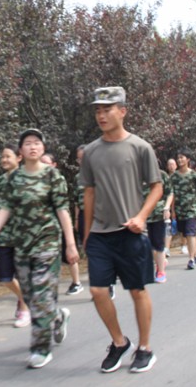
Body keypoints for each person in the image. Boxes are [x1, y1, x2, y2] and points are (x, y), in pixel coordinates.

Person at [80, 87, 163, 374]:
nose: (101, 115)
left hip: (131, 233)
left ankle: (145, 348)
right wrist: (86, 233)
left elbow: (157, 187)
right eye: (97, 110)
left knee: (137, 291)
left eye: (107, 109)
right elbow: (88, 193)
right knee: (98, 291)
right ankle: (119, 342)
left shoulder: (140, 147)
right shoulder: (90, 151)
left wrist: (142, 217)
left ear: (123, 111)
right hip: (101, 235)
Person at [0, 129, 77, 369]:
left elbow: (62, 211)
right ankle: (57, 316)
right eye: (27, 144)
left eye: (37, 143)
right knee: (29, 295)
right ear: (21, 151)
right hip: (21, 244)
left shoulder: (53, 176)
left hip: (47, 243)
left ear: (43, 149)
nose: (33, 147)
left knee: (43, 295)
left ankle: (40, 348)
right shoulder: (13, 179)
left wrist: (70, 243)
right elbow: (5, 207)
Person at [0, 143, 30, 328]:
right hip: (5, 235)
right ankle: (24, 299)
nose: (4, 160)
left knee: (22, 274)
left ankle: (25, 309)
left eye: (8, 156)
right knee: (5, 277)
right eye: (3, 156)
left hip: (23, 235)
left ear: (19, 158)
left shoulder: (26, 177)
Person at [40, 152, 83, 296]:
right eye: (42, 162)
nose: (43, 165)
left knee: (69, 253)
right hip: (44, 225)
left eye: (46, 163)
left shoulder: (58, 180)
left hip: (60, 222)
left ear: (54, 165)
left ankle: (76, 282)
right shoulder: (35, 180)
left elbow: (61, 206)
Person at [170, 148, 196, 270]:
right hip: (180, 209)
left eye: (182, 157)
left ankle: (191, 259)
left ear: (188, 160)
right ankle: (195, 253)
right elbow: (172, 194)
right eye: (178, 157)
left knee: (190, 232)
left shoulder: (194, 175)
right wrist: (172, 210)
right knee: (185, 234)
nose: (179, 159)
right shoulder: (174, 176)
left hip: (192, 209)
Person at [144, 163, 172, 282]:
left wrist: (166, 207)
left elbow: (170, 192)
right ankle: (160, 262)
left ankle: (160, 271)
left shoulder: (161, 175)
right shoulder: (137, 175)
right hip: (141, 215)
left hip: (157, 214)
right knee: (146, 245)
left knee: (158, 243)